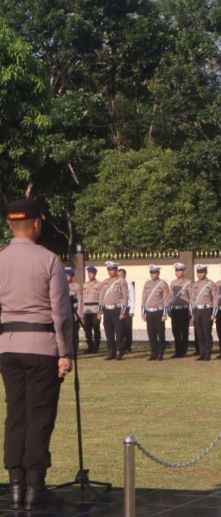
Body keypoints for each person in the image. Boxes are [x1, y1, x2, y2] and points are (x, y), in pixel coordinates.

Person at [0, 198, 73, 510]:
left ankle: (15, 484)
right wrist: (66, 352)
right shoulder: (50, 259)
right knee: (39, 414)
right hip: (42, 347)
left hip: (8, 347)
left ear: (8, 225)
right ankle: (35, 485)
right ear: (37, 224)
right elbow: (61, 311)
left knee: (16, 413)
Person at [98, 261, 129, 360]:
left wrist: (123, 311)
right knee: (109, 331)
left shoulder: (121, 281)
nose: (110, 271)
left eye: (112, 269)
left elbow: (125, 297)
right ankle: (111, 351)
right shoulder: (105, 282)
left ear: (116, 269)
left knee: (119, 332)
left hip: (117, 309)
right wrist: (99, 311)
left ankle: (120, 351)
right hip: (107, 310)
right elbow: (101, 297)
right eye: (109, 269)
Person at [141, 265, 171, 360]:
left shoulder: (163, 283)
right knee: (151, 333)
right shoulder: (147, 284)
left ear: (158, 273)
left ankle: (161, 353)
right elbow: (144, 299)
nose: (153, 274)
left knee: (160, 333)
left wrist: (165, 313)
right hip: (149, 312)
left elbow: (166, 299)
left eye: (154, 272)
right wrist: (143, 312)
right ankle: (153, 352)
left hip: (159, 311)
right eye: (151, 273)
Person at [190, 264, 219, 361]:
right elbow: (192, 299)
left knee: (207, 333)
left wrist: (214, 313)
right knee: (199, 333)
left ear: (205, 272)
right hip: (197, 310)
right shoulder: (194, 284)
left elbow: (215, 299)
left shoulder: (211, 283)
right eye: (198, 272)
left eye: (201, 272)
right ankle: (201, 354)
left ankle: (208, 354)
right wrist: (193, 313)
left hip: (207, 310)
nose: (199, 274)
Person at [169, 263, 192, 358]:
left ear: (183, 271)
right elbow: (170, 297)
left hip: (184, 309)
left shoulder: (188, 282)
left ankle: (183, 351)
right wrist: (169, 309)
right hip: (175, 310)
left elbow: (191, 297)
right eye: (176, 270)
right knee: (175, 331)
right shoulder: (172, 283)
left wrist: (190, 311)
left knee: (184, 331)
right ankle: (177, 351)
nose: (177, 272)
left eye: (179, 270)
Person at [80, 266, 102, 353]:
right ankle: (90, 346)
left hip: (95, 308)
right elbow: (82, 298)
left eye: (91, 273)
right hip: (86, 309)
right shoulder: (85, 284)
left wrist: (100, 312)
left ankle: (96, 346)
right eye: (88, 273)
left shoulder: (99, 284)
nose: (90, 275)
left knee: (96, 328)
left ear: (95, 274)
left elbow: (101, 298)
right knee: (87, 329)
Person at [118, 268, 135, 353]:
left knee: (127, 328)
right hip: (118, 308)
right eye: (119, 275)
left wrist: (132, 310)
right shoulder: (116, 284)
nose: (120, 277)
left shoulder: (129, 284)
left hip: (127, 308)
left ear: (125, 275)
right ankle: (120, 346)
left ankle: (128, 346)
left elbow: (132, 297)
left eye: (121, 275)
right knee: (120, 328)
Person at [66, 268, 81, 351]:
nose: (65, 277)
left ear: (72, 277)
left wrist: (79, 314)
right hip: (64, 313)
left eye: (67, 276)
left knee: (74, 332)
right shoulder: (61, 285)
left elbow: (80, 300)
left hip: (74, 312)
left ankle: (75, 349)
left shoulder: (77, 286)